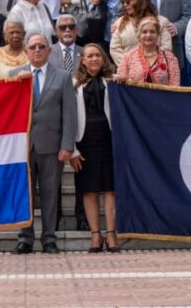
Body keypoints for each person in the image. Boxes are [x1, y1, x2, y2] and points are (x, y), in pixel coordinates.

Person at [10, 34, 76, 254]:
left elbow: (69, 114)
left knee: (50, 193)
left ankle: (49, 238)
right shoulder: (14, 76)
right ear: (26, 51)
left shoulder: (63, 77)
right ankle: (25, 238)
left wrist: (67, 145)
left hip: (52, 145)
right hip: (23, 146)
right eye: (32, 47)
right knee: (24, 194)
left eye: (41, 46)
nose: (37, 50)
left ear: (49, 50)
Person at [69, 44, 119, 253]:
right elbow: (68, 119)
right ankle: (95, 235)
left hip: (109, 139)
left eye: (98, 55)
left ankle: (111, 234)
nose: (94, 59)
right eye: (90, 56)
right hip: (84, 141)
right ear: (82, 59)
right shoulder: (73, 85)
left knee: (110, 189)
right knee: (88, 190)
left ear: (103, 58)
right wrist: (72, 149)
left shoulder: (113, 82)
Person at [109, 0, 172, 67]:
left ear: (140, 0)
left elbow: (166, 48)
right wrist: (133, 67)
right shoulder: (120, 23)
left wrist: (151, 65)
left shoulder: (162, 22)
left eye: (128, 1)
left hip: (156, 73)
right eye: (123, 2)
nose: (125, 4)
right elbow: (115, 49)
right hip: (129, 74)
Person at [115, 17, 180, 85]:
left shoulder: (170, 58)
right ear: (139, 35)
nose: (148, 35)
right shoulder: (128, 57)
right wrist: (120, 78)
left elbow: (175, 86)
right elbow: (121, 82)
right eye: (144, 32)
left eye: (152, 32)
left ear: (158, 35)